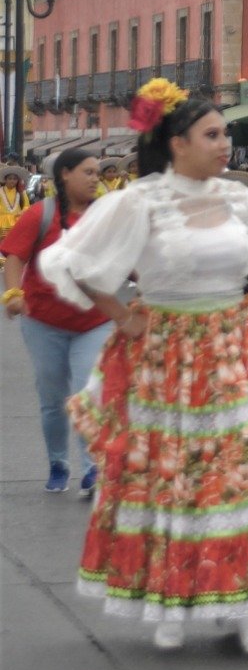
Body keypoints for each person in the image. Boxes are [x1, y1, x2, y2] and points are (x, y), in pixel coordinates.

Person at [37, 80, 248, 653]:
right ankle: (167, 603)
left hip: (232, 351)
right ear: (177, 143)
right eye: (213, 134)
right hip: (167, 355)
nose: (225, 144)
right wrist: (123, 317)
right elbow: (75, 262)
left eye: (226, 134)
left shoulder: (239, 198)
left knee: (237, 478)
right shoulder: (141, 201)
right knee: (171, 480)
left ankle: (245, 607)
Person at [2, 148, 113, 495]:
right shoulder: (41, 214)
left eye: (98, 172)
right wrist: (14, 294)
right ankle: (58, 462)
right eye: (88, 171)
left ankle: (93, 468)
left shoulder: (107, 217)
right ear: (65, 174)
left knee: (87, 393)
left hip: (94, 321)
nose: (96, 178)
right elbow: (16, 258)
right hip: (44, 322)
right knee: (52, 400)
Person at [0, 162, 32, 244]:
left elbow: (26, 206)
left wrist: (22, 212)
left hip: (17, 224)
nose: (12, 181)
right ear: (5, 179)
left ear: (18, 180)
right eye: (10, 178)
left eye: (15, 179)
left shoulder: (21, 193)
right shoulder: (0, 191)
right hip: (2, 225)